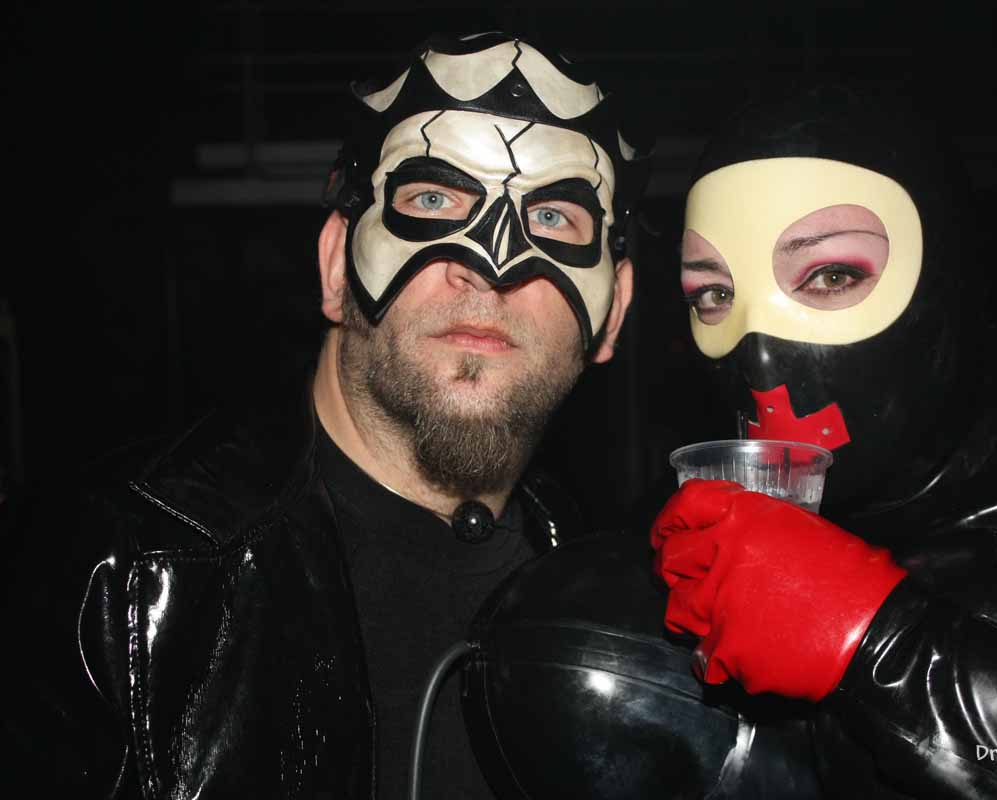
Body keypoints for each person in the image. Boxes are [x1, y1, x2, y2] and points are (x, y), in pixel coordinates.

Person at [3, 32, 646, 799]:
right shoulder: (112, 579)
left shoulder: (633, 606)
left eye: (554, 217)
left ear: (614, 311)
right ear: (337, 265)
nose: (489, 266)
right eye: (432, 199)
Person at [649, 89, 997, 797]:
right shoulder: (700, 517)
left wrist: (883, 646)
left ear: (945, 278)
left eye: (833, 275)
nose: (758, 360)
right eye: (713, 294)